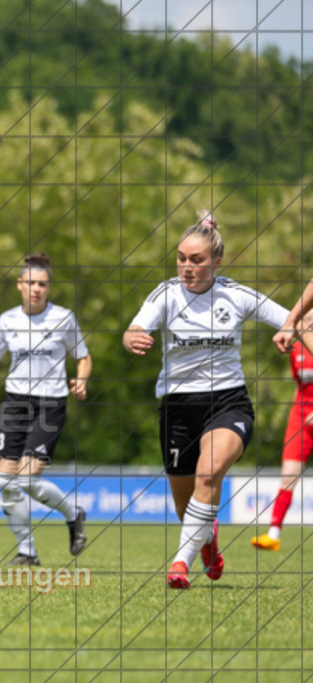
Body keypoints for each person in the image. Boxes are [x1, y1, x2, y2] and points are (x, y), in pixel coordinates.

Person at [123, 211, 288, 589]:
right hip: (178, 407)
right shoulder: (165, 294)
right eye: (181, 258)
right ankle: (206, 539)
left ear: (216, 261)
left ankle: (179, 563)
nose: (186, 267)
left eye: (196, 260)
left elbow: (295, 322)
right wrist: (132, 338)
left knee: (209, 473)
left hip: (228, 402)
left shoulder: (236, 294)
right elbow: (133, 329)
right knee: (188, 507)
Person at [0, 253, 90, 566]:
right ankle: (27, 552)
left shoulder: (63, 318)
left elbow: (83, 357)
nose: (36, 289)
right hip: (14, 403)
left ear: (49, 287)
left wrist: (81, 381)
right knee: (6, 482)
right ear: (20, 284)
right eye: (31, 283)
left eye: (42, 284)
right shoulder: (7, 320)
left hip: (50, 404)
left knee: (28, 480)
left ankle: (74, 515)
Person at [252, 311, 313, 551]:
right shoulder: (296, 350)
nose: (302, 324)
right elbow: (301, 385)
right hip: (301, 416)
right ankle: (273, 535)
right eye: (303, 321)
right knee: (288, 475)